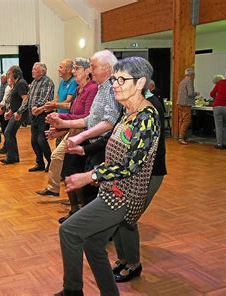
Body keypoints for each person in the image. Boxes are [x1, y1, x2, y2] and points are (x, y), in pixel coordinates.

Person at [55, 56, 160, 296]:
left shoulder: (146, 118)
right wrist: (84, 148)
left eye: (122, 79)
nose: (115, 84)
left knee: (69, 232)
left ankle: (73, 291)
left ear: (141, 82)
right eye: (114, 79)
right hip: (112, 190)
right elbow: (112, 144)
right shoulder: (128, 112)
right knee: (93, 243)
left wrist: (88, 176)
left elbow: (130, 165)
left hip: (122, 195)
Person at [46, 50, 121, 224]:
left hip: (102, 144)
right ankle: (88, 221)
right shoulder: (101, 87)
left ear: (108, 68)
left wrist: (79, 137)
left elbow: (109, 121)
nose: (91, 70)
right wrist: (63, 124)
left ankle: (96, 226)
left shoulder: (110, 88)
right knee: (87, 186)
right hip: (92, 141)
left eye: (93, 67)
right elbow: (91, 118)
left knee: (96, 189)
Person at [111, 88, 167, 283]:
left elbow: (139, 156)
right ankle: (123, 259)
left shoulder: (151, 109)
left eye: (121, 79)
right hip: (129, 172)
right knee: (118, 217)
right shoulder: (129, 107)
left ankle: (134, 264)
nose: (116, 85)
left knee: (128, 218)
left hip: (149, 173)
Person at [37, 57, 97, 197]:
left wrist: (61, 119)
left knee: (71, 165)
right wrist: (59, 128)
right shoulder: (78, 88)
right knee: (59, 158)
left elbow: (86, 117)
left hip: (84, 131)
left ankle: (76, 198)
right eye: (74, 68)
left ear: (87, 71)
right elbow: (72, 112)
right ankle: (58, 190)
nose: (74, 72)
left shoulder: (92, 88)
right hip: (73, 128)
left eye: (77, 69)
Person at [17, 62, 55, 172]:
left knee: (41, 140)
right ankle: (40, 163)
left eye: (35, 69)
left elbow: (45, 98)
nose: (32, 71)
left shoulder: (47, 82)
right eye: (33, 69)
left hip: (43, 114)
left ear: (42, 71)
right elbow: (27, 99)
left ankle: (50, 162)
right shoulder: (33, 82)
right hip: (33, 115)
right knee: (34, 141)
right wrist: (20, 111)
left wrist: (37, 107)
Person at [1, 65, 29, 164]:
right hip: (17, 112)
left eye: (10, 73)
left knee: (8, 132)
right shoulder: (18, 83)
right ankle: (13, 157)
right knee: (10, 133)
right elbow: (16, 101)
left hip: (21, 113)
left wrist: (19, 112)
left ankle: (12, 157)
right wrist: (11, 111)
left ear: (15, 74)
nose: (8, 75)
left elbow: (25, 99)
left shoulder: (21, 83)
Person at [176, 68, 199, 145]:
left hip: (179, 103)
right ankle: (181, 137)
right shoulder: (189, 81)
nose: (194, 77)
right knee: (186, 121)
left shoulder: (182, 81)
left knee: (181, 121)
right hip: (186, 104)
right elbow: (190, 93)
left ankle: (180, 136)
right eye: (194, 75)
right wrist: (196, 93)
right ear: (191, 75)